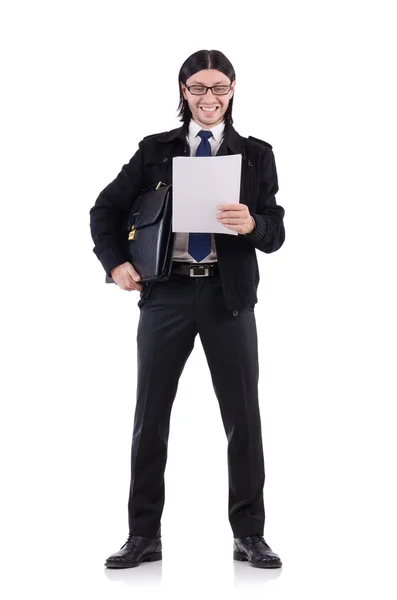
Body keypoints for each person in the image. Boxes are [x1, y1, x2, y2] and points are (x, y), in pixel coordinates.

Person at [89, 49, 285, 570]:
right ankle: (142, 535)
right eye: (198, 88)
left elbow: (276, 231)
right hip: (166, 295)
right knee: (150, 418)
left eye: (219, 87)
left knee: (243, 418)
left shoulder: (256, 154)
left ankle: (250, 534)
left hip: (230, 297)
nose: (209, 98)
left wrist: (253, 225)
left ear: (233, 90)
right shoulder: (155, 151)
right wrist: (115, 264)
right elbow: (104, 210)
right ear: (184, 92)